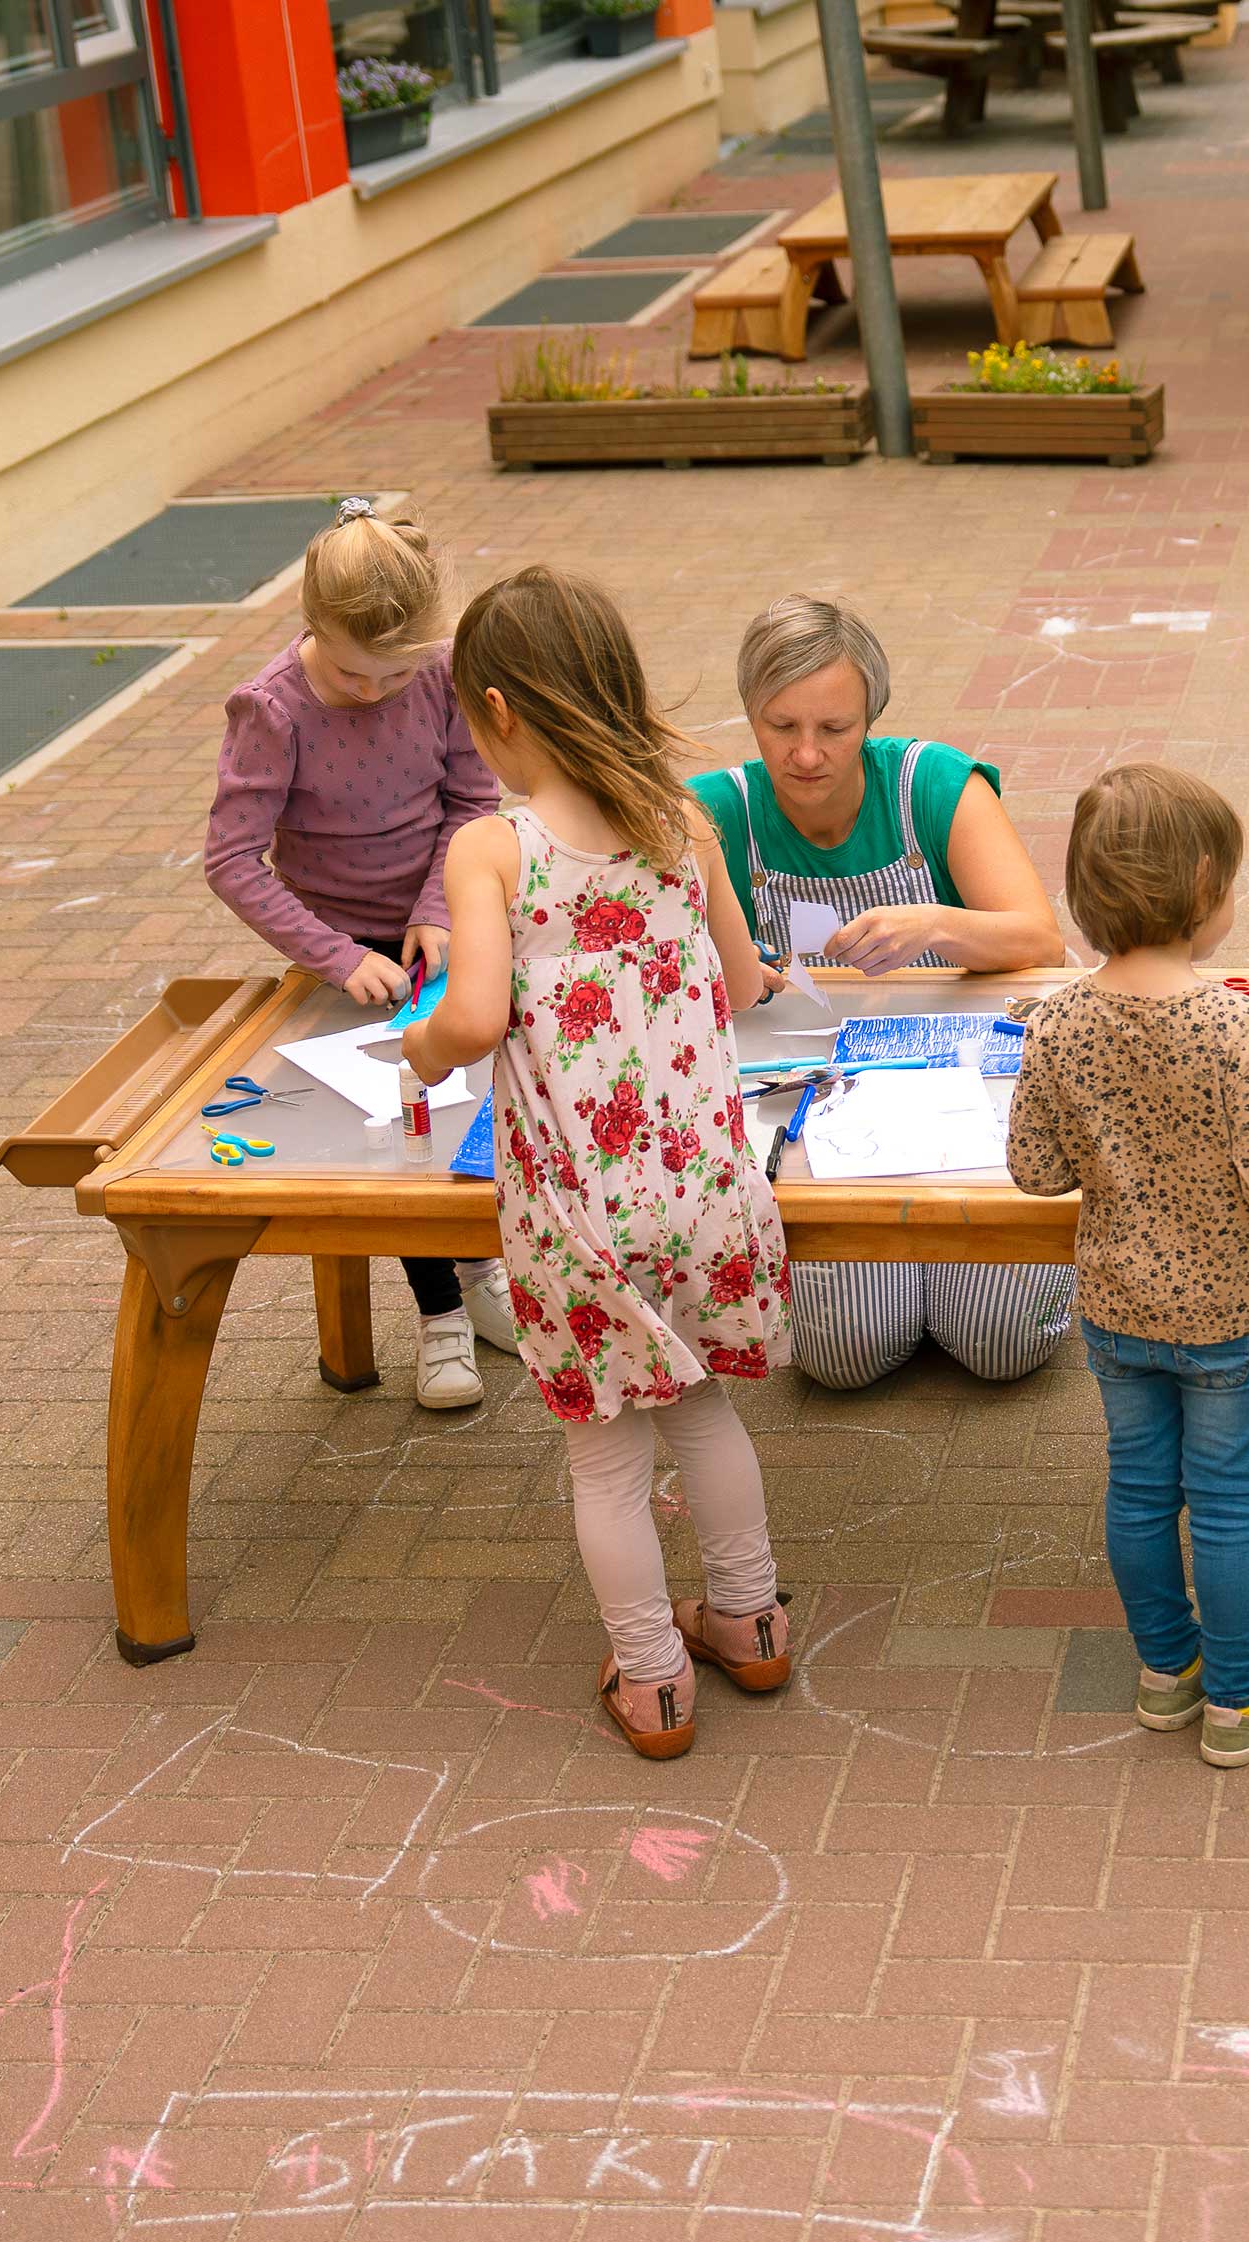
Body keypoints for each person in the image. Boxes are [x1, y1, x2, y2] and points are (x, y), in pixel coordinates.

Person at [405, 565, 793, 1761]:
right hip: (710, 1188)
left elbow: (470, 1020)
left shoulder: (496, 850)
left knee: (605, 1453)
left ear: (503, 711)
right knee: (707, 1411)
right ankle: (753, 1625)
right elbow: (740, 983)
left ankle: (655, 1681)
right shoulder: (686, 821)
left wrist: (421, 1052)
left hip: (582, 1214)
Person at [1005, 764, 1249, 1770]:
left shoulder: (1058, 1021)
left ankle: (1165, 1678)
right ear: (1207, 885)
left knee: (1138, 1489)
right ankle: (1237, 1704)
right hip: (1232, 1314)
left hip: (1119, 1308)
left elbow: (1034, 1170)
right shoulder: (1236, 1028)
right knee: (1225, 1502)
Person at [690, 596, 1076, 1391]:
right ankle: (906, 1284)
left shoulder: (930, 783)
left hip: (968, 1098)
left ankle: (998, 1269)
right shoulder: (713, 812)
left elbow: (1040, 940)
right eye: (779, 727)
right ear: (749, 715)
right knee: (843, 1359)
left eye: (833, 729)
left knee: (1002, 1345)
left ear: (871, 713)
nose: (804, 755)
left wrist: (937, 924)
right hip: (814, 1118)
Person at [203, 497, 514, 1409]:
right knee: (401, 1132)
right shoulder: (271, 710)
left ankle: (488, 1276)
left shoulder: (441, 672)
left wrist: (438, 906)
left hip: (448, 920)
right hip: (347, 954)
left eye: (395, 673)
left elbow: (470, 800)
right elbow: (229, 860)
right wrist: (337, 957)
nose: (374, 692)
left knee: (481, 1098)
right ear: (311, 625)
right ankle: (440, 1315)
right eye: (351, 673)